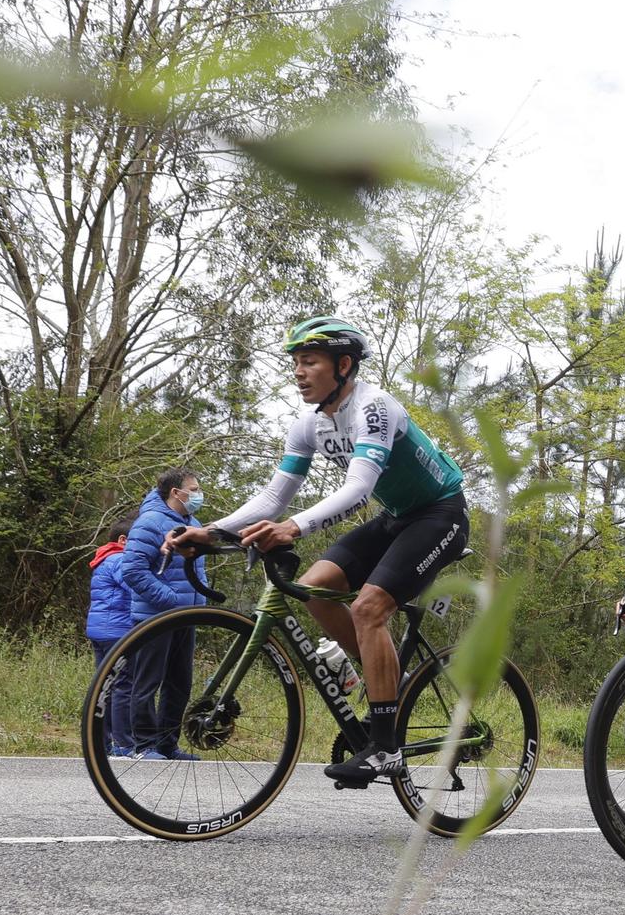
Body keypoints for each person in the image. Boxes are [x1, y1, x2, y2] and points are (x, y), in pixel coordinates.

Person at [172, 317, 469, 788]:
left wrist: (293, 527)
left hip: (441, 514)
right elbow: (274, 498)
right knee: (312, 587)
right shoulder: (308, 425)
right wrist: (211, 532)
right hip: (396, 517)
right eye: (295, 363)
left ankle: (387, 747)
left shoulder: (374, 408)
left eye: (309, 361)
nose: (298, 371)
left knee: (369, 608)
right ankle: (389, 681)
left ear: (344, 365)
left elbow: (358, 488)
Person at [124, 469, 207, 760]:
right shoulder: (149, 522)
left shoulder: (193, 523)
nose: (198, 495)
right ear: (176, 493)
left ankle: (167, 745)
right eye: (194, 489)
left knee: (179, 683)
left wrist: (200, 603)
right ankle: (144, 745)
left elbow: (198, 571)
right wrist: (171, 601)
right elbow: (132, 571)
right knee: (148, 682)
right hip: (155, 618)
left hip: (186, 616)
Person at [86, 518, 136, 758]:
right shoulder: (118, 559)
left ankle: (103, 744)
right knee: (123, 687)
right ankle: (124, 744)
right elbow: (133, 584)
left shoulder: (103, 559)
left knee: (104, 689)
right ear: (123, 540)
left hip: (100, 631)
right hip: (117, 632)